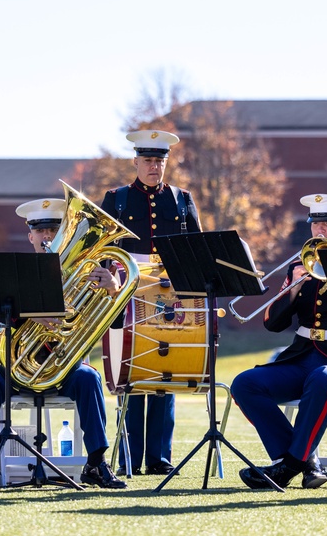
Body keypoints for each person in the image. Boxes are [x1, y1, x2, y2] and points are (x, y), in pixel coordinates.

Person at [0, 198, 126, 489]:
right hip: (15, 368)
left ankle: (96, 463)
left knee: (90, 378)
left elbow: (113, 324)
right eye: (40, 231)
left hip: (63, 369)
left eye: (54, 229)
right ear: (30, 236)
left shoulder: (86, 273)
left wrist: (115, 293)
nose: (47, 236)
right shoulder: (15, 270)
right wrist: (30, 315)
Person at [231, 194, 327, 489]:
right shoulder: (301, 265)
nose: (320, 231)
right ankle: (303, 461)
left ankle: (290, 466)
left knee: (324, 379)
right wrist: (293, 288)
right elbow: (273, 324)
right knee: (245, 383)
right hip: (303, 356)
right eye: (315, 224)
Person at [100, 129, 201, 476]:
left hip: (168, 291)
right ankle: (130, 455)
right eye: (148, 161)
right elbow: (100, 250)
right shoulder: (117, 199)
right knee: (133, 369)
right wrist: (107, 278)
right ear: (136, 162)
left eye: (159, 161)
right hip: (127, 288)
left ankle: (159, 458)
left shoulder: (183, 198)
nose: (154, 167)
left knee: (164, 368)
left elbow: (197, 249)